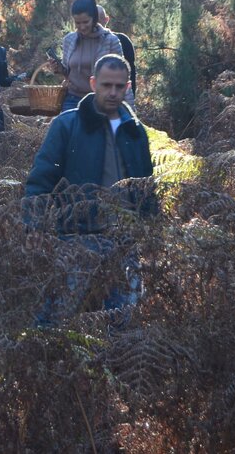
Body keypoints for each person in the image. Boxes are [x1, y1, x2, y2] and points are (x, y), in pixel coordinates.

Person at [23, 54, 154, 320]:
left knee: (123, 317)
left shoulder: (135, 130)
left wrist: (152, 229)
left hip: (125, 239)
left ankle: (112, 361)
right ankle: (46, 358)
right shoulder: (67, 125)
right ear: (93, 83)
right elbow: (41, 178)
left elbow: (146, 183)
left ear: (128, 87)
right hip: (77, 236)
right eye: (107, 85)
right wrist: (33, 223)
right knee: (58, 313)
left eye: (119, 86)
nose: (113, 92)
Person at [48, 0, 125, 112]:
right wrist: (58, 68)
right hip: (72, 99)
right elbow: (68, 73)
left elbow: (122, 76)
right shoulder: (69, 40)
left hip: (100, 100)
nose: (82, 27)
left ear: (94, 19)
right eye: (78, 23)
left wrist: (129, 110)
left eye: (85, 22)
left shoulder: (111, 41)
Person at [96, 3, 137, 105]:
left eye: (99, 19)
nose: (96, 24)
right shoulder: (84, 43)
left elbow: (130, 73)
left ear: (106, 19)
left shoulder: (122, 40)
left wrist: (129, 101)